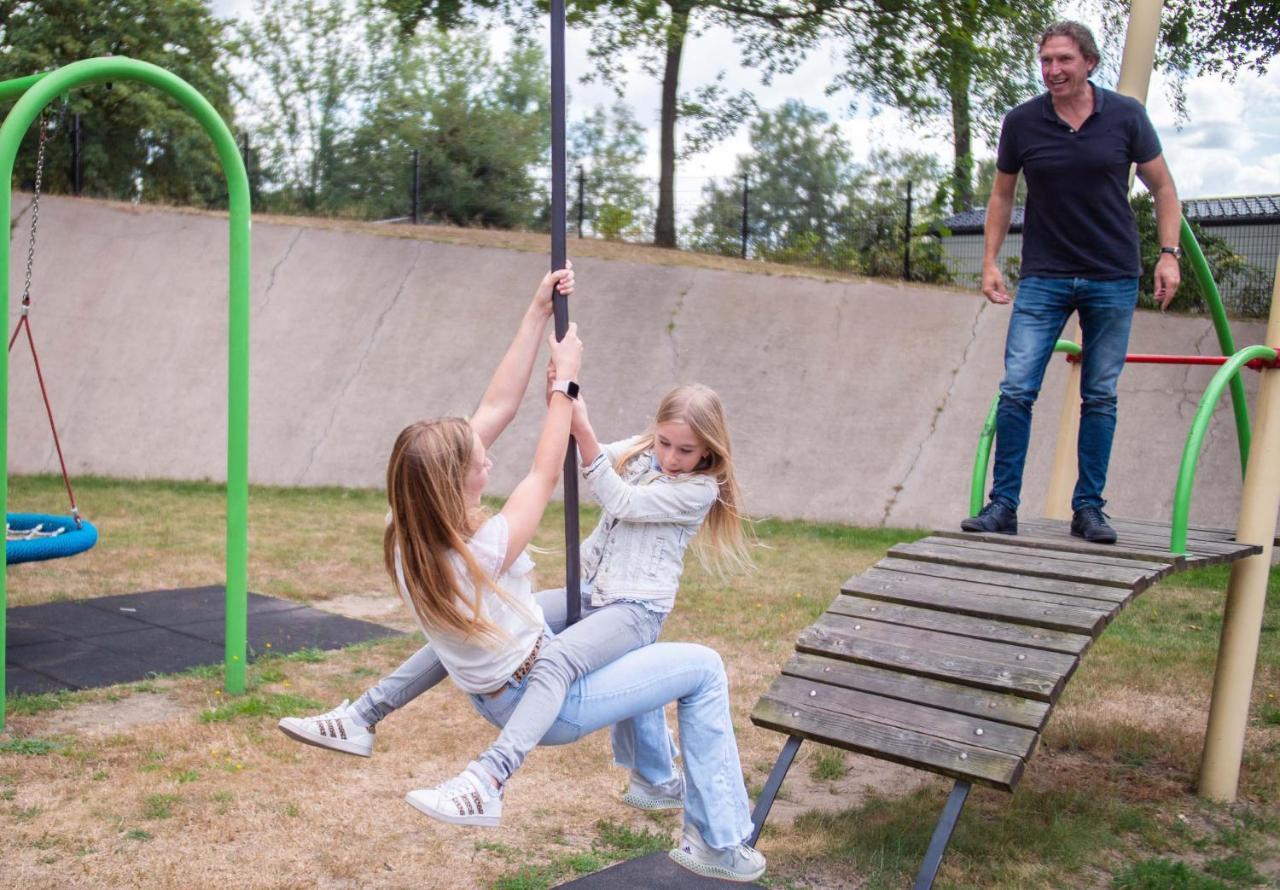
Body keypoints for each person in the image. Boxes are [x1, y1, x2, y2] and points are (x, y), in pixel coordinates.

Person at [279, 269, 765, 882]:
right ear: (456, 482)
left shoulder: (406, 528)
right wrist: (566, 384)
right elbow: (541, 471)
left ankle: (362, 716)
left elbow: (497, 406)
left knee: (594, 631)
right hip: (544, 701)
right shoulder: (486, 548)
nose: (488, 454)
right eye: (478, 459)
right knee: (702, 668)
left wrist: (538, 314)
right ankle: (507, 782)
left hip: (504, 680)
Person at [961, 19, 1182, 545]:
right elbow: (1001, 196)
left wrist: (1168, 255)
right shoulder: (1022, 122)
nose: (1053, 70)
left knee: (1100, 395)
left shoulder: (1126, 117)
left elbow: (1164, 187)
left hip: (1112, 274)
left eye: (1063, 60)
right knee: (1016, 389)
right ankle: (1003, 505)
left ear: (1089, 63)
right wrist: (990, 261)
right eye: (1045, 61)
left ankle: (1089, 510)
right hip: (1044, 276)